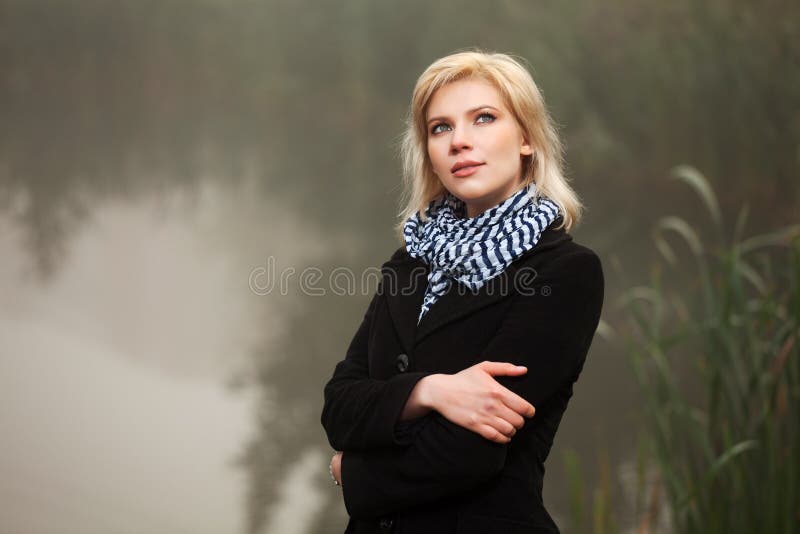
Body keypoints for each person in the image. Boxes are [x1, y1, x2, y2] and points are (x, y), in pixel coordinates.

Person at [320, 49, 604, 534]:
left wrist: (356, 473)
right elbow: (339, 407)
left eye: (484, 118)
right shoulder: (413, 259)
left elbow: (471, 452)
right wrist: (431, 391)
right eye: (441, 127)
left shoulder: (565, 272)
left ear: (527, 139)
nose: (459, 142)